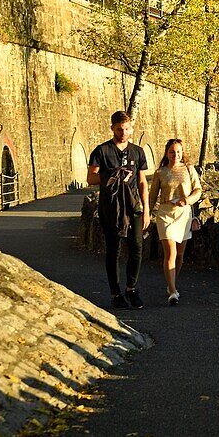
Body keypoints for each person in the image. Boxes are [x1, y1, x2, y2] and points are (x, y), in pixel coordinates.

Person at [87, 110, 150, 309]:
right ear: (112, 128)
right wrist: (111, 174)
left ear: (131, 128)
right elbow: (91, 178)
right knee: (113, 249)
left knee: (137, 246)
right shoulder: (102, 151)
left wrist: (147, 209)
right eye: (119, 129)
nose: (123, 132)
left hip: (134, 206)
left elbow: (142, 182)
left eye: (127, 129)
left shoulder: (138, 151)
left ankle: (131, 288)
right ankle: (116, 294)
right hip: (111, 206)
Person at [149, 139, 203, 305]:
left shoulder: (189, 169)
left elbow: (198, 189)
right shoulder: (160, 172)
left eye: (178, 151)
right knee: (170, 253)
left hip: (183, 214)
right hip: (165, 213)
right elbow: (152, 195)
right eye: (172, 151)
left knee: (179, 255)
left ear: (182, 153)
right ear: (167, 153)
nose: (175, 155)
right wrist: (148, 214)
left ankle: (171, 283)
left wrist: (187, 200)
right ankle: (173, 292)